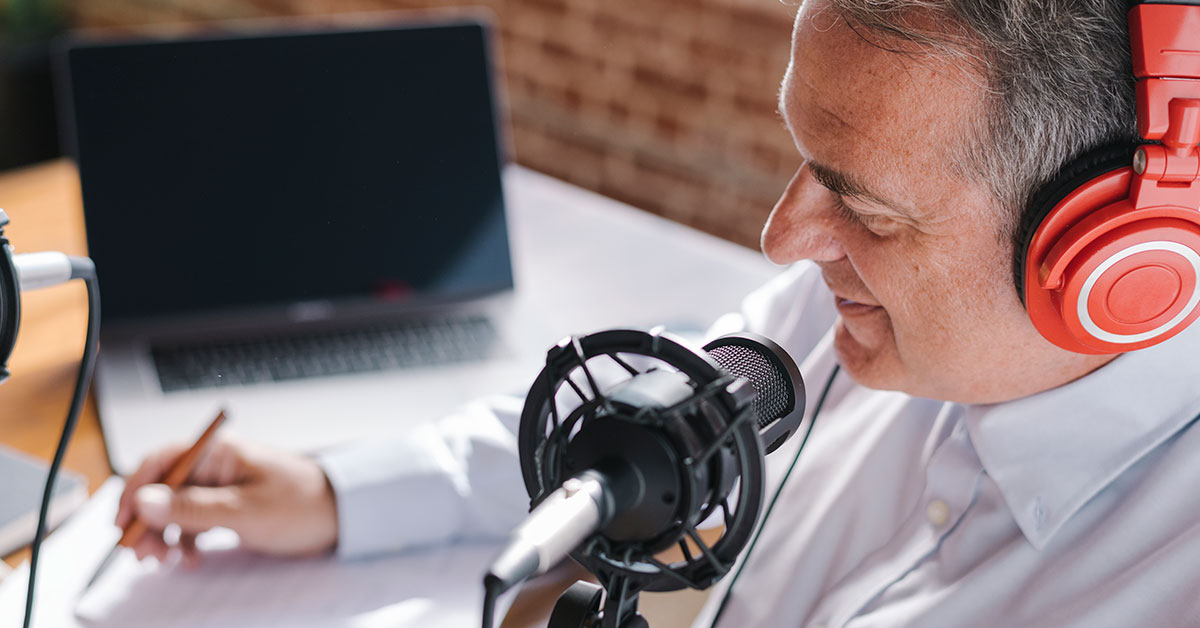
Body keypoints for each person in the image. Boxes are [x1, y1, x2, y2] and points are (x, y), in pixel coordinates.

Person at [116, 0, 1200, 624]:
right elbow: (644, 434)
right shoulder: (844, 308)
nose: (787, 238)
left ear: (1108, 257)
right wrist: (333, 491)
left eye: (862, 205)